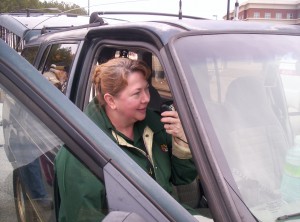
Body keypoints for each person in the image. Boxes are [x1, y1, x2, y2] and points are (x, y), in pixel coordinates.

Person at [55, 58, 198, 221]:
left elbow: (182, 177)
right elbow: (82, 217)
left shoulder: (154, 124)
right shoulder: (81, 151)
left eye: (147, 89)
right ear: (111, 101)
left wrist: (183, 141)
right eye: (137, 93)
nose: (147, 99)